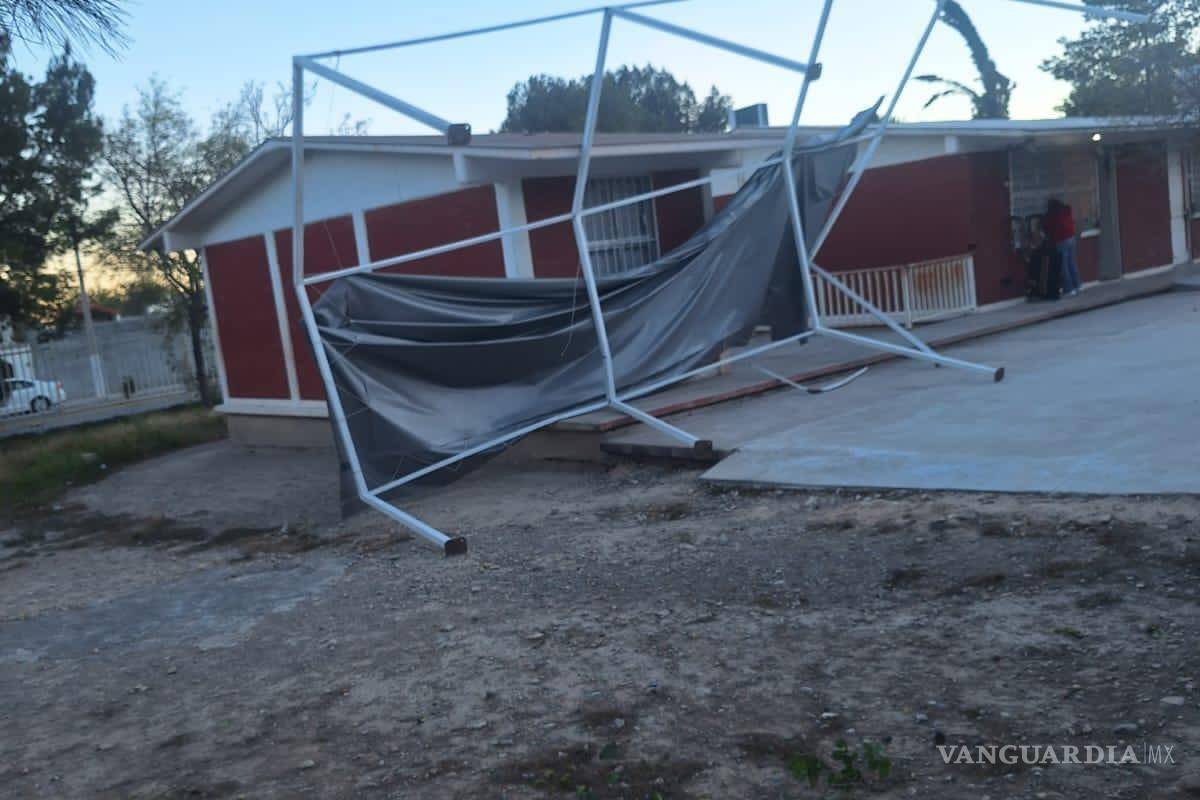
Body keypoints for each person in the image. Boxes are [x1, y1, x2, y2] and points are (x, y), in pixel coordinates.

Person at [1045, 198, 1080, 297]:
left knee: (1063, 266)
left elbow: (1048, 226)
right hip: (1071, 238)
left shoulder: (1053, 214)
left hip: (1061, 240)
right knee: (1072, 263)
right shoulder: (1066, 210)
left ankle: (1069, 289)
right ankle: (1077, 285)